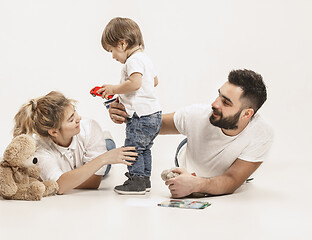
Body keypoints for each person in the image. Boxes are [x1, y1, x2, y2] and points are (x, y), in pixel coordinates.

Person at [108, 69, 274, 198]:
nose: (214, 103)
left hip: (229, 167)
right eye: (219, 95)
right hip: (189, 155)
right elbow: (151, 125)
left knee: (238, 177)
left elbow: (232, 180)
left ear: (247, 114)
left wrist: (197, 185)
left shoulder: (261, 133)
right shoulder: (197, 115)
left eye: (226, 102)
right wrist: (125, 114)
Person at [13, 91, 137, 194]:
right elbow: (60, 187)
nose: (79, 118)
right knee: (104, 158)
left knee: (108, 148)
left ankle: (106, 143)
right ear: (53, 132)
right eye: (71, 119)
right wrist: (103, 159)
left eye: (75, 111)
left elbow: (95, 182)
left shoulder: (90, 127)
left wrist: (66, 179)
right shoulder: (39, 150)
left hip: (98, 143)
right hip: (97, 158)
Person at [97, 17, 162, 195]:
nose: (113, 56)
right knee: (144, 148)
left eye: (112, 50)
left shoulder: (132, 61)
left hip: (140, 117)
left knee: (132, 148)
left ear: (123, 43)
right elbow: (154, 81)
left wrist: (114, 89)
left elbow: (135, 83)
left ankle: (136, 181)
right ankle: (145, 178)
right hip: (154, 114)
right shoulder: (145, 59)